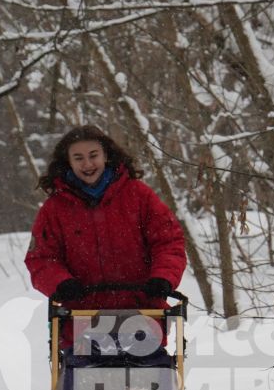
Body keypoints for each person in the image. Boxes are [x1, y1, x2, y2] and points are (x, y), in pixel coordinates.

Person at [26, 124, 187, 318]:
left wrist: (163, 277)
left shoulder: (139, 196)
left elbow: (168, 242)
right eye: (78, 158)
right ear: (68, 162)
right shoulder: (54, 209)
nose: (87, 164)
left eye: (93, 155)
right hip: (80, 317)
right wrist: (60, 282)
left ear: (106, 155)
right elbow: (41, 258)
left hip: (143, 313)